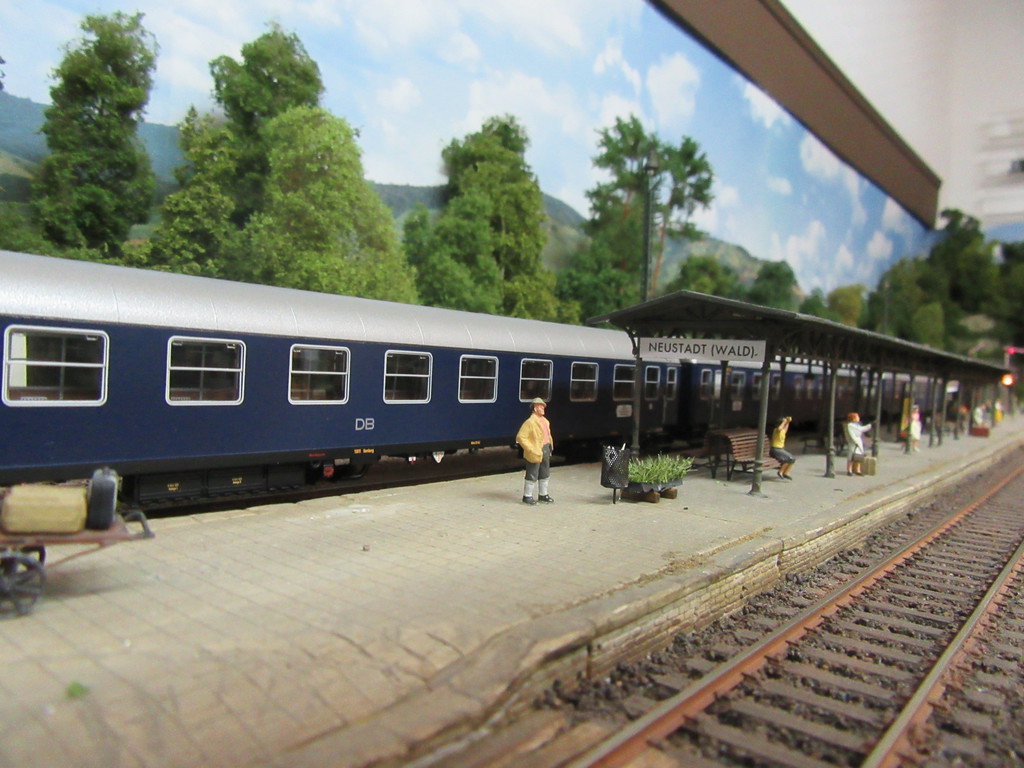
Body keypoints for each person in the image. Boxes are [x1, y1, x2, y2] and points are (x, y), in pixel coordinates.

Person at [516, 397, 554, 505]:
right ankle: (527, 496)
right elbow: (521, 437)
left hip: (545, 449)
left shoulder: (545, 421)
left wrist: (550, 446)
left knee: (545, 473)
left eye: (543, 407)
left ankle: (543, 494)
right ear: (535, 408)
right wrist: (530, 449)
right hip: (535, 450)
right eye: (540, 406)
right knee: (532, 473)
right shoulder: (530, 422)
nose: (543, 408)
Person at [845, 412, 872, 476]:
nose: (858, 418)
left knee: (859, 457)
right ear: (853, 418)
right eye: (857, 417)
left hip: (858, 441)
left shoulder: (857, 425)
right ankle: (849, 470)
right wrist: (856, 441)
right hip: (854, 443)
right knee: (851, 457)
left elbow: (862, 429)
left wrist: (869, 425)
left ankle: (858, 470)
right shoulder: (850, 425)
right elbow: (852, 434)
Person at [769, 416, 796, 480]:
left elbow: (785, 428)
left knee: (792, 459)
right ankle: (780, 472)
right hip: (775, 449)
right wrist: (784, 422)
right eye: (783, 423)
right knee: (787, 459)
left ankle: (786, 473)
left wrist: (788, 422)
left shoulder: (782, 431)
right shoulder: (776, 430)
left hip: (780, 449)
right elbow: (779, 428)